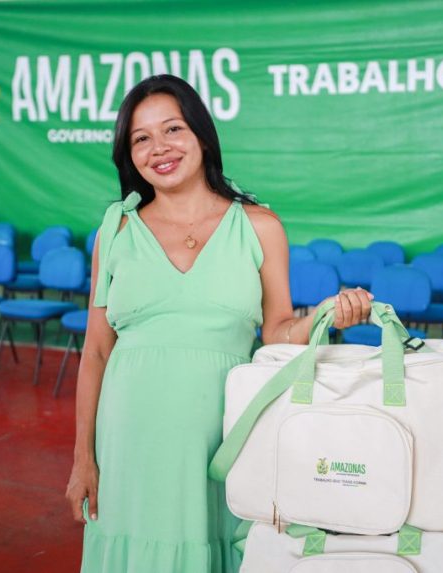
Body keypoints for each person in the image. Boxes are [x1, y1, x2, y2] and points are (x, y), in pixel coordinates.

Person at [65, 74, 373, 573]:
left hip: (221, 436)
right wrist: (84, 457)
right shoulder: (115, 232)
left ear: (202, 136)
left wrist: (322, 317)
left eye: (173, 129)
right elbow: (97, 351)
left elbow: (276, 333)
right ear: (129, 154)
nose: (159, 148)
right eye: (141, 138)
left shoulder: (259, 226)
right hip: (129, 437)